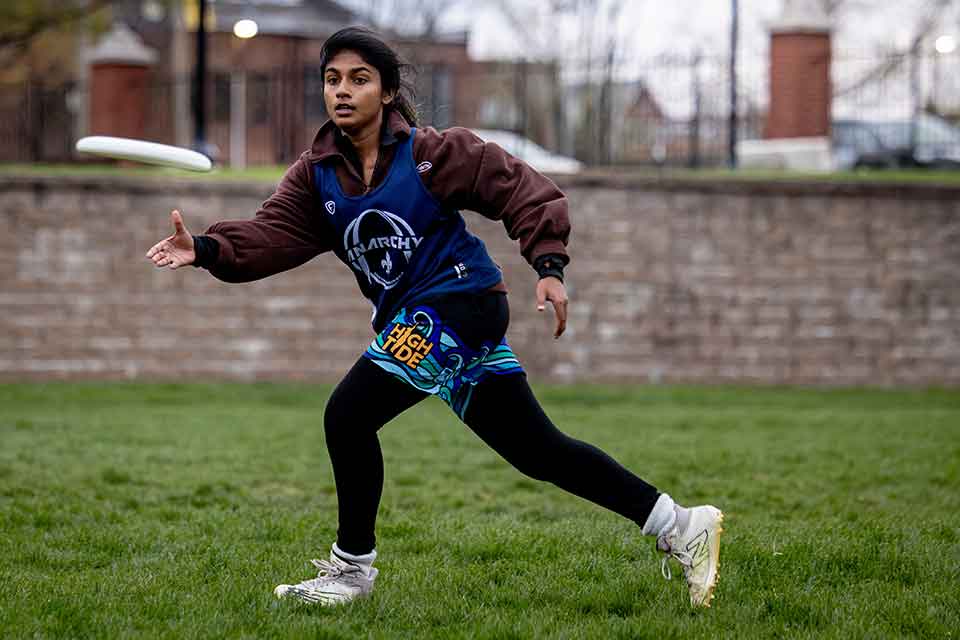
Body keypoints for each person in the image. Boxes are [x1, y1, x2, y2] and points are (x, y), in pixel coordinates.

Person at [146, 27, 723, 608]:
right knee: (538, 450)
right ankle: (680, 524)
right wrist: (208, 248)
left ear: (389, 92)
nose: (342, 91)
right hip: (436, 322)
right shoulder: (315, 174)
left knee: (348, 415)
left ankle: (350, 573)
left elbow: (519, 188)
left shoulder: (430, 153)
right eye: (332, 79)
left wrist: (548, 263)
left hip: (462, 302)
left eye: (359, 79)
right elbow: (271, 234)